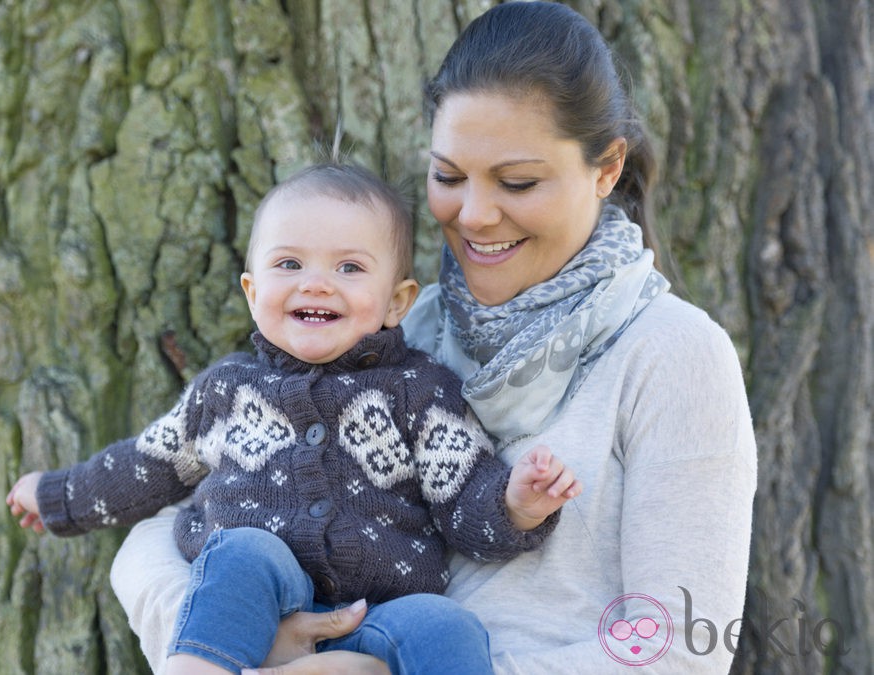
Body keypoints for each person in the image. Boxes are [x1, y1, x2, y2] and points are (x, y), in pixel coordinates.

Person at [107, 2, 757, 673]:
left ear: (606, 168)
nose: (473, 215)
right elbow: (161, 535)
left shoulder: (673, 355)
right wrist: (235, 641)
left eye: (518, 181)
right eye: (448, 177)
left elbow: (680, 648)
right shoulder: (397, 331)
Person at [7, 161, 583, 675]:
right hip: (256, 607)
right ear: (253, 291)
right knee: (241, 553)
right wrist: (56, 496)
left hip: (378, 613)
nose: (315, 282)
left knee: (447, 625)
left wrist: (515, 505)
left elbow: (463, 495)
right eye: (289, 263)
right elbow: (145, 465)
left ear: (396, 302)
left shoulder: (419, 391)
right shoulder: (227, 392)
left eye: (350, 268)